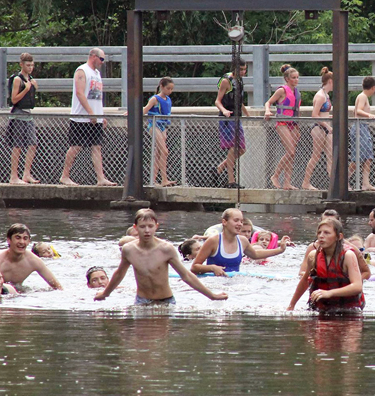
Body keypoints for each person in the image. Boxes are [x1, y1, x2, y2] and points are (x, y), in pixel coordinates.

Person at [95, 209, 228, 304]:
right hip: (142, 301)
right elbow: (119, 274)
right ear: (135, 228)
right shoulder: (129, 250)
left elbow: (186, 275)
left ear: (156, 227)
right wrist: (105, 293)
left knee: (161, 342)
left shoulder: (166, 249)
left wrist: (212, 296)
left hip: (166, 301)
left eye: (150, 226)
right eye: (142, 227)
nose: (147, 230)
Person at [60, 48, 116, 187]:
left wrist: (100, 115)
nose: (102, 63)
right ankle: (65, 176)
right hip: (81, 117)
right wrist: (90, 112)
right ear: (93, 57)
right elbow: (80, 93)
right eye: (101, 59)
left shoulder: (97, 74)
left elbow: (97, 97)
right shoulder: (82, 70)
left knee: (97, 147)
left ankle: (101, 178)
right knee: (76, 146)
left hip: (95, 118)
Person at [287, 218, 364, 312]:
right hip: (321, 308)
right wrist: (291, 306)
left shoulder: (348, 256)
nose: (321, 236)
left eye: (327, 233)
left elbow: (357, 286)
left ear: (339, 237)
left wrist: (329, 293)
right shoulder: (313, 256)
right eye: (319, 232)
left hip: (349, 309)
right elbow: (304, 282)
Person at [190, 208, 289, 276]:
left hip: (236, 286)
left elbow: (255, 254)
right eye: (236, 220)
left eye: (241, 221)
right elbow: (194, 267)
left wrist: (280, 250)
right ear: (224, 222)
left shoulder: (242, 241)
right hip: (215, 284)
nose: (240, 224)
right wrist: (211, 268)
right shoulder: (213, 241)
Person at [298, 210, 372, 280]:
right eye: (324, 222)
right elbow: (302, 272)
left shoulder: (351, 250)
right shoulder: (312, 248)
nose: (327, 225)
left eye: (331, 223)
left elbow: (366, 273)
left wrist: (351, 282)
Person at [0, 224, 62, 290]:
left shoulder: (33, 261)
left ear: (29, 241)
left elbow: (57, 287)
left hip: (19, 292)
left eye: (25, 238)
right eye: (18, 238)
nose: (22, 242)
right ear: (9, 240)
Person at [264, 64, 302, 190]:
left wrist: (297, 127)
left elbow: (297, 110)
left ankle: (287, 182)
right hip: (282, 123)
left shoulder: (297, 92)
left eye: (297, 77)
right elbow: (268, 102)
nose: (296, 80)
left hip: (293, 123)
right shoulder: (282, 90)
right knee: (290, 151)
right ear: (287, 79)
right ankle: (275, 175)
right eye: (293, 78)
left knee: (292, 153)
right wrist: (267, 111)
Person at [215, 60, 250, 189]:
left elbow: (239, 101)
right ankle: (231, 180)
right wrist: (224, 111)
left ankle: (220, 167)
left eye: (244, 69)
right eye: (240, 70)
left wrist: (247, 115)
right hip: (227, 119)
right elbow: (217, 101)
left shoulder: (240, 81)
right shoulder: (226, 81)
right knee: (233, 147)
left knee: (241, 149)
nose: (243, 72)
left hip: (237, 118)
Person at [7, 52, 40, 185]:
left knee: (33, 143)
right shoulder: (17, 79)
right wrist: (26, 89)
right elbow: (14, 99)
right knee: (18, 146)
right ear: (21, 65)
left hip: (28, 114)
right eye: (28, 65)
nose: (30, 68)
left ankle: (26, 174)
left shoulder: (30, 78)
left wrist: (34, 87)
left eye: (32, 65)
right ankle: (14, 176)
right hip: (19, 114)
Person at [302, 67, 334, 191]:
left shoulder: (326, 95)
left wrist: (329, 117)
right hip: (319, 128)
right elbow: (315, 115)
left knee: (330, 155)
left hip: (326, 127)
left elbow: (323, 113)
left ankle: (333, 183)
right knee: (316, 155)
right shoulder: (320, 95)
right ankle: (306, 182)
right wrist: (326, 125)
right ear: (330, 81)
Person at [143, 77, 176, 187]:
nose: (170, 91)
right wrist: (130, 112)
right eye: (168, 88)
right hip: (154, 124)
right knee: (165, 151)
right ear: (161, 86)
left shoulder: (168, 99)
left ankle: (153, 179)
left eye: (171, 89)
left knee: (158, 153)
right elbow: (145, 110)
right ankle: (164, 179)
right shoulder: (155, 99)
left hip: (163, 126)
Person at [349, 76, 375, 191]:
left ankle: (366, 183)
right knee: (357, 158)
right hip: (359, 128)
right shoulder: (362, 96)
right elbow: (358, 111)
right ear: (373, 87)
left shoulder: (364, 97)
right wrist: (369, 115)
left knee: (368, 157)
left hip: (364, 128)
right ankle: (344, 181)